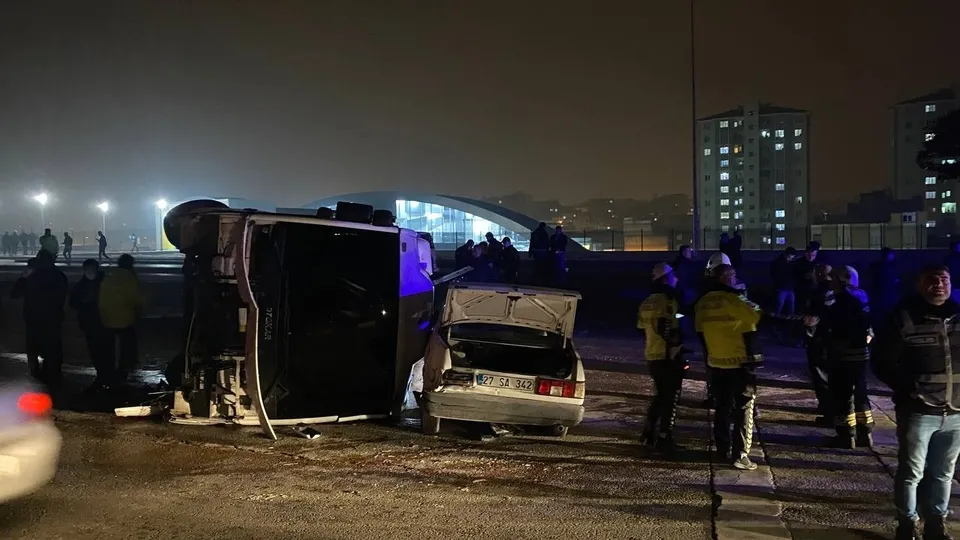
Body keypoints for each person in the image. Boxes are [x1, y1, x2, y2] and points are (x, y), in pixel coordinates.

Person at [872, 265, 960, 540]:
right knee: (912, 472)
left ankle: (936, 523)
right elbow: (881, 361)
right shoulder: (903, 317)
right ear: (919, 284)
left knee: (944, 473)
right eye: (932, 280)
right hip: (919, 411)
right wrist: (907, 390)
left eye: (944, 279)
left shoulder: (958, 316)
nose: (939, 284)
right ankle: (907, 524)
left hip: (956, 410)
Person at [695, 263, 762, 470]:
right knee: (745, 407)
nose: (735, 278)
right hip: (739, 362)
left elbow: (699, 330)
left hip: (716, 362)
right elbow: (758, 316)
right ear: (724, 277)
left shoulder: (703, 302)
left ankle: (722, 448)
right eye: (732, 275)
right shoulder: (736, 299)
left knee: (722, 406)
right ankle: (741, 454)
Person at [638, 262, 688, 454]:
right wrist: (676, 343)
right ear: (666, 278)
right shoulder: (668, 300)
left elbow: (642, 328)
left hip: (651, 354)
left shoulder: (647, 301)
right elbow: (667, 327)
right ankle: (665, 438)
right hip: (668, 356)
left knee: (660, 396)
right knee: (671, 398)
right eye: (673, 275)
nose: (677, 278)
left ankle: (648, 433)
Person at [824, 266, 875, 449]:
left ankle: (846, 435)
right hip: (861, 353)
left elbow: (827, 323)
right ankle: (865, 432)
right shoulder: (861, 296)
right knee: (860, 392)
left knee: (842, 394)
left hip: (841, 353)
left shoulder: (835, 300)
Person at [9, 251, 68, 389]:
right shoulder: (58, 275)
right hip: (52, 316)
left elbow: (14, 293)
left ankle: (36, 373)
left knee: (33, 345)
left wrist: (23, 277)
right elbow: (62, 295)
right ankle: (54, 373)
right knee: (53, 346)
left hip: (33, 317)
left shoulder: (32, 276)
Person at [98, 254, 145, 385]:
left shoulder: (109, 276)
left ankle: (109, 367)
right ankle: (127, 364)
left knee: (109, 344)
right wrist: (139, 312)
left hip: (106, 317)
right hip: (125, 318)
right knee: (129, 340)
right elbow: (138, 299)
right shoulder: (130, 278)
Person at [802, 264, 834, 425]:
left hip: (820, 340)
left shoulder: (818, 292)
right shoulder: (837, 291)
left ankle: (828, 412)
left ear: (820, 274)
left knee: (821, 376)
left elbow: (811, 320)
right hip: (834, 340)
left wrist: (808, 336)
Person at [70, 259, 108, 391]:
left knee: (104, 350)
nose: (90, 273)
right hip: (90, 323)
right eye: (88, 271)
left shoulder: (104, 283)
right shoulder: (82, 285)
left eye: (92, 270)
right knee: (95, 350)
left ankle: (105, 375)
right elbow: (72, 302)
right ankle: (102, 375)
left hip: (103, 322)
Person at [871, 247, 901, 327]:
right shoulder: (886, 267)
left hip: (884, 295)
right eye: (891, 254)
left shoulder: (879, 266)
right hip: (886, 295)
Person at [770, 247, 797, 316]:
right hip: (782, 288)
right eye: (789, 257)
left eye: (791, 258)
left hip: (787, 287)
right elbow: (775, 275)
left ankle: (779, 320)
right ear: (785, 254)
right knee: (780, 306)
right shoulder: (778, 263)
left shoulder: (786, 262)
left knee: (787, 306)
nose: (790, 259)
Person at [793, 242, 820, 314]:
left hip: (814, 292)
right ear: (805, 253)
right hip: (801, 292)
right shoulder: (798, 263)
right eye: (809, 255)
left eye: (813, 255)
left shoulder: (818, 262)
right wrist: (804, 276)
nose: (811, 257)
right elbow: (794, 276)